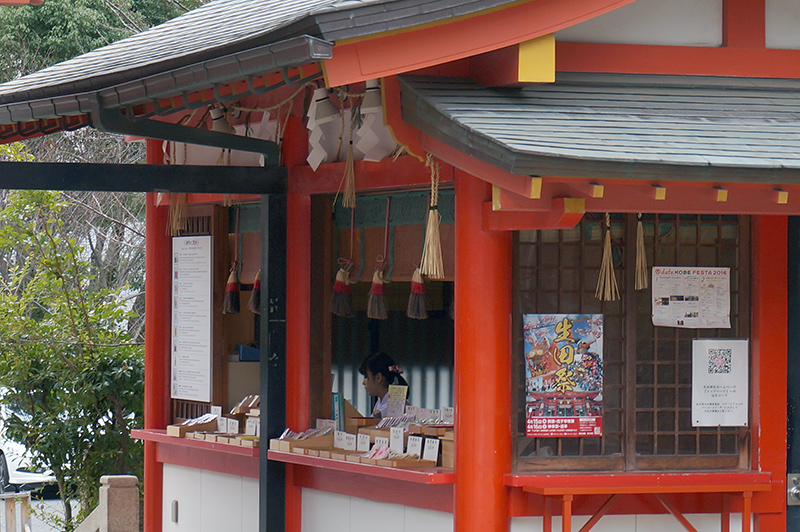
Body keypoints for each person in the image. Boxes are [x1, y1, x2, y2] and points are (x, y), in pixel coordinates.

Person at [359, 352, 408, 418]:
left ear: (378, 378)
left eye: (366, 377)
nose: (363, 382)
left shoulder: (393, 407)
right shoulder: (381, 401)